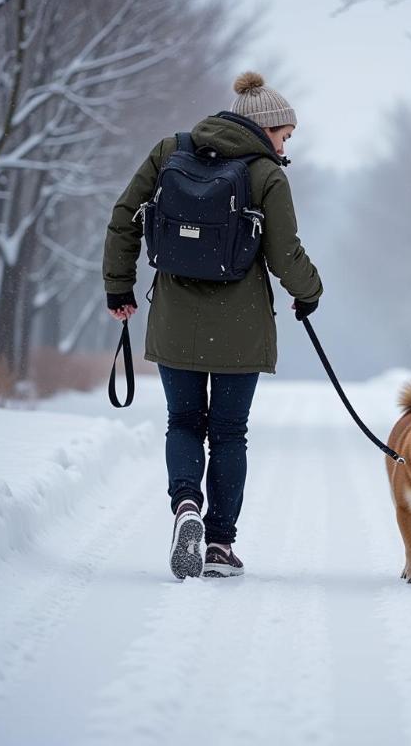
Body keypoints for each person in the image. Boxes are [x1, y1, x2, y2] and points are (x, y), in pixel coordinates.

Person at [102, 72, 323, 580]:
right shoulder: (266, 174)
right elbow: (285, 253)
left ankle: (185, 507)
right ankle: (220, 545)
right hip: (240, 327)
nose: (285, 146)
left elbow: (123, 216)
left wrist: (119, 286)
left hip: (175, 319)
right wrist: (309, 293)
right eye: (285, 136)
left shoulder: (170, 150)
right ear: (265, 128)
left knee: (182, 423)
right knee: (228, 434)